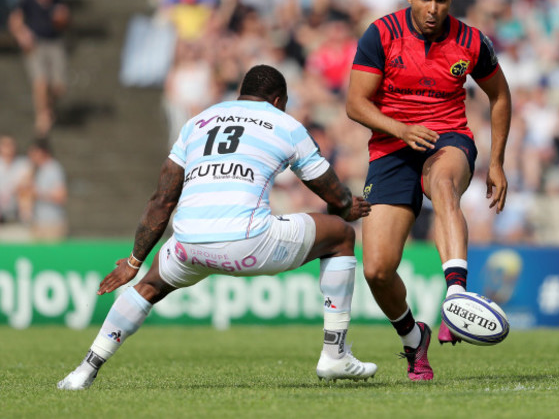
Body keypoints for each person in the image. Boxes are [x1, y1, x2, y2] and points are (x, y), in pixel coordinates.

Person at [58, 65, 377, 390]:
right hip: (249, 243)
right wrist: (347, 208)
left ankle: (85, 369)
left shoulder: (197, 122)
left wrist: (133, 262)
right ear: (278, 100)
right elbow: (334, 194)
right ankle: (335, 354)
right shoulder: (285, 124)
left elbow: (161, 201)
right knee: (341, 236)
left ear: (241, 93)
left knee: (148, 286)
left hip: (188, 246)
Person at [346, 0, 512, 381]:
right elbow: (355, 104)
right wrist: (400, 128)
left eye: (441, 0)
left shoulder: (472, 41)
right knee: (376, 269)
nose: (433, 8)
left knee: (443, 185)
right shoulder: (381, 34)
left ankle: (455, 295)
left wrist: (495, 161)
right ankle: (412, 339)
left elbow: (500, 95)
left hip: (447, 139)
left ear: (450, 1)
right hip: (392, 146)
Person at [9, 0, 69, 135]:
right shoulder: (27, 0)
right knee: (40, 82)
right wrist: (21, 35)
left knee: (58, 87)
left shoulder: (57, 0)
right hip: (35, 44)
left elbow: (64, 22)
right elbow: (15, 19)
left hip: (55, 43)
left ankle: (48, 107)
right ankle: (42, 116)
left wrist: (62, 19)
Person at [26, 136, 67, 240]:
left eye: (34, 152)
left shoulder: (54, 169)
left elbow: (61, 196)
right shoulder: (39, 169)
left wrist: (38, 193)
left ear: (41, 152)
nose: (31, 156)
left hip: (52, 223)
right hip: (39, 221)